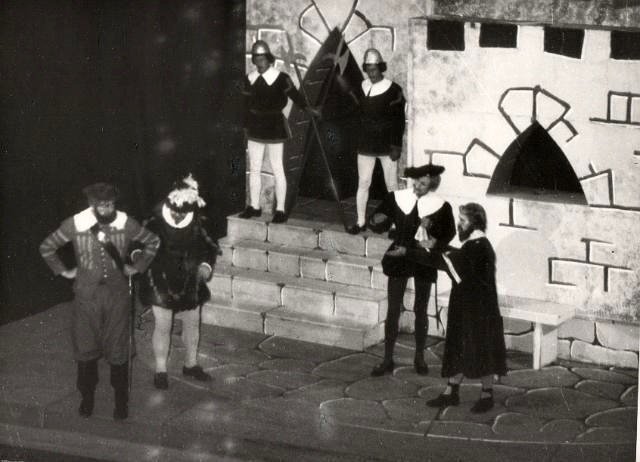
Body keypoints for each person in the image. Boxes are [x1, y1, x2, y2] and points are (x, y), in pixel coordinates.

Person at [39, 183, 160, 420]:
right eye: (100, 205)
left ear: (115, 203)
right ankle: (87, 398)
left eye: (110, 204)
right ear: (91, 205)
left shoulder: (126, 223)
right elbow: (47, 247)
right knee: (85, 348)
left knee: (119, 348)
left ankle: (121, 402)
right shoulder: (76, 224)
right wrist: (64, 271)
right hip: (86, 297)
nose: (105, 209)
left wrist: (137, 267)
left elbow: (153, 241)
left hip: (117, 296)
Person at [386, 203, 507, 413]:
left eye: (463, 221)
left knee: (481, 349)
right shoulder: (476, 243)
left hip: (478, 308)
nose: (459, 225)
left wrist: (408, 252)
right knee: (459, 346)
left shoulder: (478, 246)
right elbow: (456, 255)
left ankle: (486, 395)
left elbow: (446, 261)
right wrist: (435, 244)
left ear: (475, 223)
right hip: (469, 305)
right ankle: (452, 391)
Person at [367, 163, 455, 376]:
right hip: (400, 255)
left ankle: (419, 357)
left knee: (421, 309)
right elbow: (378, 222)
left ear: (432, 185)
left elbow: (448, 233)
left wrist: (432, 229)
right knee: (393, 309)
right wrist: (377, 220)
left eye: (423, 184)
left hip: (423, 259)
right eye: (416, 182)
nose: (417, 186)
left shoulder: (441, 206)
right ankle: (387, 359)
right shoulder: (397, 198)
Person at [136, 174, 220, 390]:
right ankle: (161, 370)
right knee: (163, 325)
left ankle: (191, 364)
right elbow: (136, 244)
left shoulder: (199, 222)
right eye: (174, 211)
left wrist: (206, 265)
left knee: (192, 322)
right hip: (160, 278)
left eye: (182, 213)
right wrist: (137, 257)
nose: (176, 215)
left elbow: (209, 247)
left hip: (189, 278)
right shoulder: (154, 220)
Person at [240, 40, 319, 224]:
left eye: (262, 57)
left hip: (275, 126)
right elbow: (244, 106)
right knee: (254, 168)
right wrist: (244, 128)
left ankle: (281, 209)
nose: (259, 60)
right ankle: (254, 206)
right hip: (255, 126)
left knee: (277, 168)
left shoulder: (282, 78)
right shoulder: (248, 79)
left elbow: (296, 96)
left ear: (269, 58)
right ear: (254, 59)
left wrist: (309, 109)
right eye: (256, 57)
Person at [345, 48, 406, 235]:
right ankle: (360, 221)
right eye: (368, 69)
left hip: (387, 145)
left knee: (391, 185)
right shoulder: (362, 87)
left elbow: (399, 120)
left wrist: (396, 145)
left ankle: (396, 225)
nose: (371, 73)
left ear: (381, 67)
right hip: (366, 143)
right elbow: (356, 114)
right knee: (363, 183)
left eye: (374, 69)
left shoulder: (394, 90)